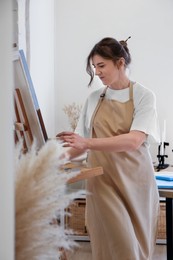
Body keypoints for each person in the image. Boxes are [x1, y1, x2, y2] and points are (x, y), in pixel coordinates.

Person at [57, 37, 160, 260]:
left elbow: (133, 141)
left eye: (101, 66)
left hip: (137, 184)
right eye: (94, 68)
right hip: (102, 182)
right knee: (119, 248)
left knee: (139, 251)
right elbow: (80, 143)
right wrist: (56, 160)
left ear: (120, 63)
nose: (98, 73)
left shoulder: (144, 96)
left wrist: (87, 144)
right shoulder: (94, 99)